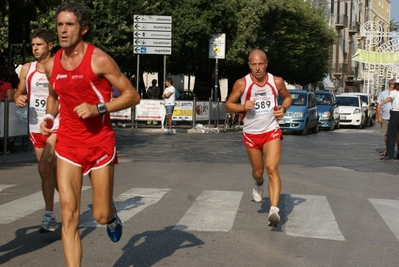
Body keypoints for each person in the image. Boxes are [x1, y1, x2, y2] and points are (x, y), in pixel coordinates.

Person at [40, 3, 140, 266]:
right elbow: (54, 96)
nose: (63, 30)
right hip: (68, 145)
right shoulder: (51, 65)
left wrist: (99, 107)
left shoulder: (99, 59)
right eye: (60, 24)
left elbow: (132, 95)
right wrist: (50, 118)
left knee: (100, 215)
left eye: (69, 24)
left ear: (83, 29)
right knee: (69, 214)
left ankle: (111, 212)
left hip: (99, 144)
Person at [225, 49, 292, 227]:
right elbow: (228, 105)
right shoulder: (241, 83)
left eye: (260, 64)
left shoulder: (276, 81)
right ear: (249, 65)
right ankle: (258, 182)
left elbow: (287, 98)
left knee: (272, 168)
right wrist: (242, 106)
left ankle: (274, 210)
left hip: (271, 130)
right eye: (253, 64)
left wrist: (283, 108)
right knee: (259, 171)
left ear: (266, 64)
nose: (257, 68)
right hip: (251, 134)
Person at [14, 29, 59, 233]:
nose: (34, 48)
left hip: (56, 124)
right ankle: (61, 209)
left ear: (50, 45)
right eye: (33, 45)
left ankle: (51, 213)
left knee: (44, 166)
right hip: (34, 125)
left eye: (39, 44)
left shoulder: (59, 67)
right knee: (49, 173)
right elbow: (18, 91)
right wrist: (18, 98)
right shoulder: (26, 69)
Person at [376, 78, 399, 158]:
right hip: (394, 113)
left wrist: (385, 101)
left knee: (394, 134)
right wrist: (385, 101)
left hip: (395, 113)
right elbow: (390, 98)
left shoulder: (394, 92)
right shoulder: (394, 92)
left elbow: (390, 98)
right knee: (392, 134)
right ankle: (391, 154)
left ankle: (392, 153)